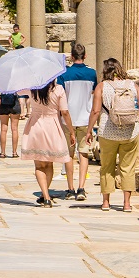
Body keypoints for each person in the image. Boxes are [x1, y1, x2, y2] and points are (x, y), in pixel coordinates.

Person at [86, 57, 139, 212]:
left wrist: (89, 131)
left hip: (107, 132)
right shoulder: (132, 85)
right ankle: (127, 204)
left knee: (106, 167)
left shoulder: (102, 86)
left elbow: (95, 111)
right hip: (130, 131)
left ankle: (106, 202)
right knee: (127, 168)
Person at [19, 79, 75, 207]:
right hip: (52, 126)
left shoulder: (32, 89)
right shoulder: (58, 89)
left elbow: (18, 90)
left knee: (39, 165)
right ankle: (46, 195)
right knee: (49, 163)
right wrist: (71, 131)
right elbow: (65, 112)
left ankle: (46, 196)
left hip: (35, 125)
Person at [59, 44, 98, 200]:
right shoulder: (92, 74)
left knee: (68, 155)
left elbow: (61, 96)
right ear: (85, 56)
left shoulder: (64, 74)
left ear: (72, 56)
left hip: (68, 118)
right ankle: (81, 188)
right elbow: (93, 93)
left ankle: (70, 188)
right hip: (85, 118)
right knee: (83, 153)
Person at [0, 90, 23, 157]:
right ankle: (14, 152)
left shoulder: (2, 83)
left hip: (3, 104)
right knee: (14, 129)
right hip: (14, 104)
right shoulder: (14, 82)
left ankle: (2, 152)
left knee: (3, 129)